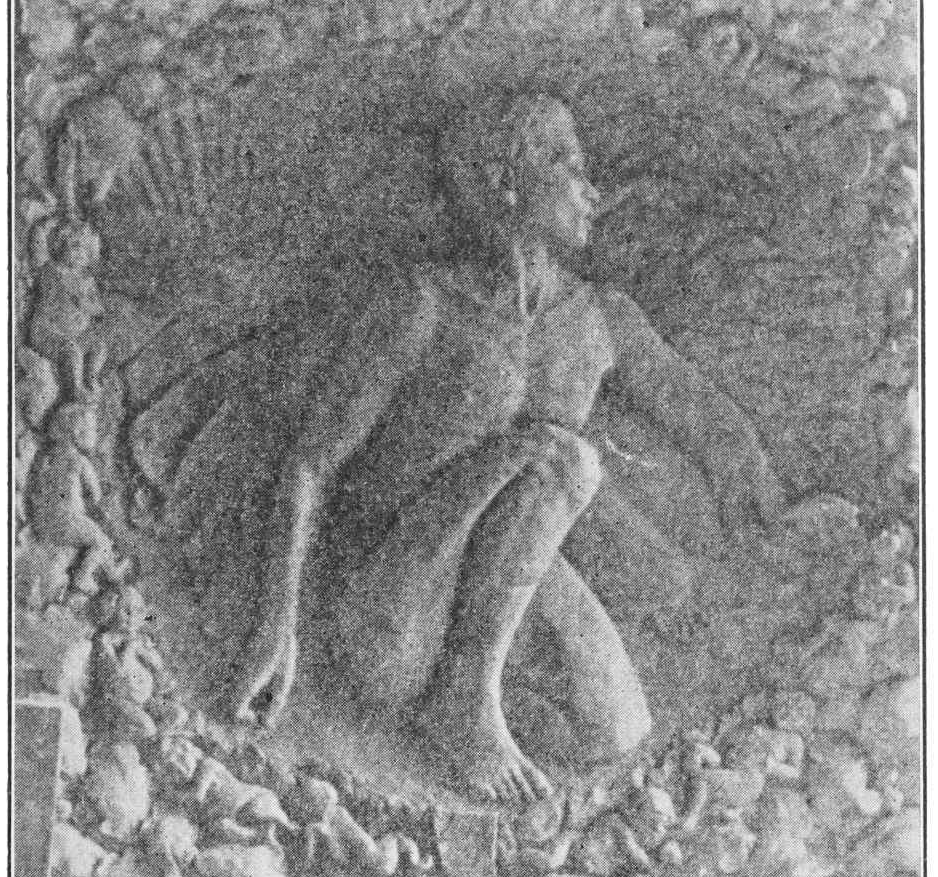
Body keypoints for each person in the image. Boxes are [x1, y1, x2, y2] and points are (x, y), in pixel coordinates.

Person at [134, 93, 783, 804]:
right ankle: (464, 701)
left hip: (505, 581)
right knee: (563, 460)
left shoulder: (601, 320)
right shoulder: (426, 303)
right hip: (392, 604)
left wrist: (757, 490)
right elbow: (311, 462)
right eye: (568, 165)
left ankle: (482, 685)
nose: (591, 190)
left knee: (617, 732)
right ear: (506, 182)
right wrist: (275, 626)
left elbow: (703, 414)